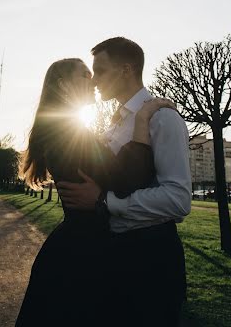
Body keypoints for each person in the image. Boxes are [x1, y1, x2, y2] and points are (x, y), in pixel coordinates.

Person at [15, 57, 175, 327]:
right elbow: (125, 180)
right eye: (85, 75)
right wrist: (142, 119)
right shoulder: (66, 130)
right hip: (80, 257)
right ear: (64, 85)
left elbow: (106, 173)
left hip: (81, 247)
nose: (94, 81)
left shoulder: (65, 128)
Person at [58, 37, 192, 327]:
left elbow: (178, 199)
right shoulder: (118, 122)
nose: (94, 81)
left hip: (151, 259)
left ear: (126, 70)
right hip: (116, 254)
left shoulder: (163, 118)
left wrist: (104, 201)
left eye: (101, 71)